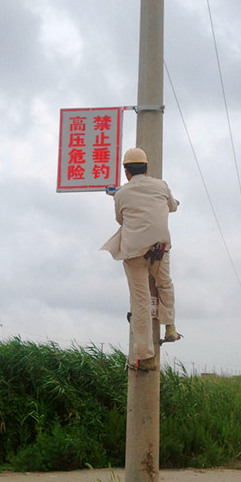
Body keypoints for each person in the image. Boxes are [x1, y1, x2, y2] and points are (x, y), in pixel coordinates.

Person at [101, 147, 181, 371]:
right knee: (165, 284)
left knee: (141, 301)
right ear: (146, 169)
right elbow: (173, 207)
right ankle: (170, 326)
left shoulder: (121, 194)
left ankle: (146, 357)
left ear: (126, 172)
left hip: (135, 253)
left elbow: (120, 219)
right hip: (160, 249)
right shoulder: (161, 185)